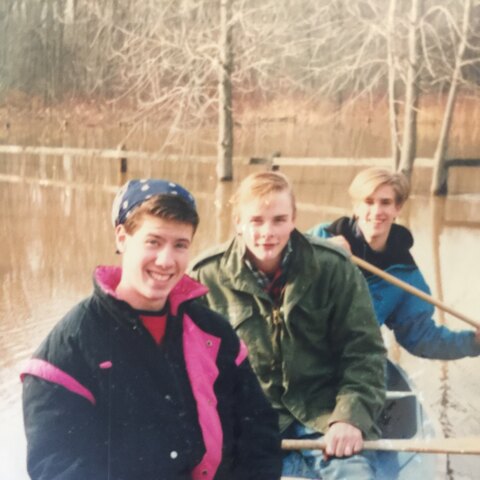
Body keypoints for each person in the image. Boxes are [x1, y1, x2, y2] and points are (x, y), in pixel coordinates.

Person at [21, 179, 282, 480]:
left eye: (180, 245)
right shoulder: (66, 352)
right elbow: (59, 467)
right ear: (122, 238)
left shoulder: (215, 333)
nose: (166, 260)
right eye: (153, 242)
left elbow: (258, 432)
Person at [189, 171, 387, 480]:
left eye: (279, 220)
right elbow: (193, 371)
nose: (267, 232)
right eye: (256, 221)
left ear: (294, 219)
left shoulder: (334, 267)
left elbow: (365, 353)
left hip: (325, 418)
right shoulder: (205, 276)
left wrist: (349, 418)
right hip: (248, 425)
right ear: (238, 222)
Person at [308, 167, 480, 359]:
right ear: (355, 207)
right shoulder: (321, 237)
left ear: (397, 208)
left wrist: (473, 341)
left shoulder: (405, 274)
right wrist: (313, 254)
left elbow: (422, 337)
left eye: (385, 202)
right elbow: (275, 265)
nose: (377, 211)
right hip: (299, 351)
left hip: (349, 362)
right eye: (368, 202)